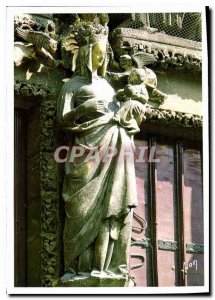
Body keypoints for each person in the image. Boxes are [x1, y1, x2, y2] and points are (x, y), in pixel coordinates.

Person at [57, 24, 146, 281]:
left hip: (116, 150)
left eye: (105, 53)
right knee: (81, 211)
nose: (103, 57)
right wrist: (84, 108)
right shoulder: (72, 85)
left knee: (113, 210)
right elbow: (61, 119)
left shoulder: (109, 86)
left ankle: (106, 267)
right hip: (86, 154)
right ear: (86, 52)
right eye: (98, 52)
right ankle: (79, 268)